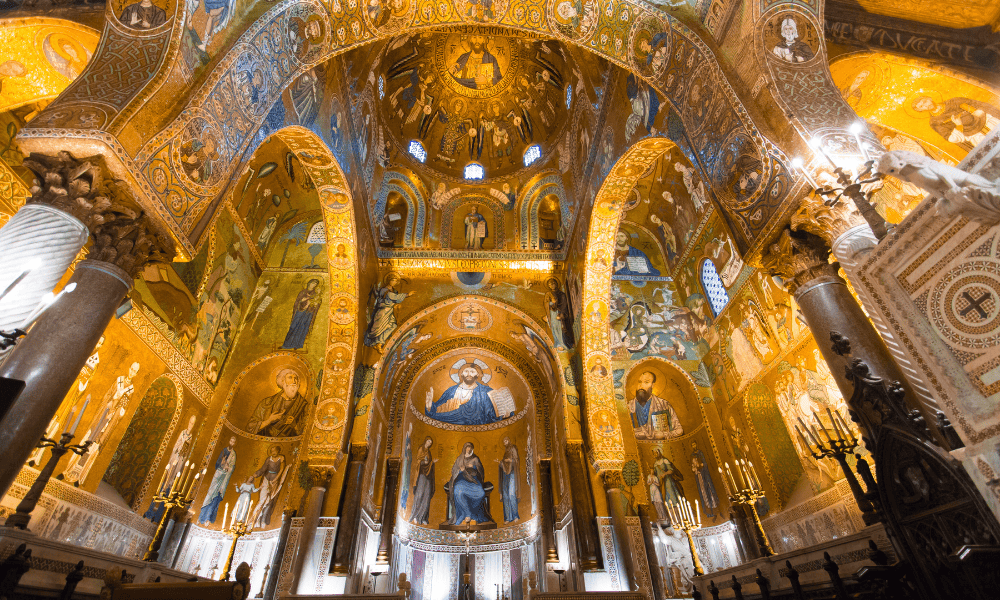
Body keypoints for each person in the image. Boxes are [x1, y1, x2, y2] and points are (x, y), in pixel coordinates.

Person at [425, 363, 507, 425]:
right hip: (451, 419)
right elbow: (438, 408)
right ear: (461, 374)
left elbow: (492, 413)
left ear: (477, 375)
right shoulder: (452, 390)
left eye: (472, 372)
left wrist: (503, 413)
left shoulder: (486, 391)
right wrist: (429, 407)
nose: (469, 374)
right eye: (466, 371)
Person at [246, 369, 308, 437]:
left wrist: (294, 425)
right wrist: (269, 421)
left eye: (295, 378)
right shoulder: (267, 403)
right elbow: (250, 427)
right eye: (290, 377)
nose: (294, 381)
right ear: (282, 381)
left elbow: (307, 432)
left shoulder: (303, 405)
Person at [447, 443, 494, 526]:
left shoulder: (475, 459)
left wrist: (473, 467)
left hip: (473, 479)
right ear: (464, 448)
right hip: (461, 479)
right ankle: (466, 514)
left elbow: (481, 471)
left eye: (470, 448)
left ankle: (473, 514)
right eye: (467, 448)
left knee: (481, 493)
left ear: (472, 449)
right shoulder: (460, 458)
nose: (468, 449)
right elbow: (454, 470)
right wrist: (461, 469)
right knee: (458, 490)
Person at [365, 273, 412, 353]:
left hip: (389, 311)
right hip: (383, 311)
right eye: (392, 280)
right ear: (388, 281)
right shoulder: (384, 290)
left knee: (393, 325)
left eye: (395, 281)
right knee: (380, 328)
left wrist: (396, 304)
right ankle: (379, 344)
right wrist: (407, 295)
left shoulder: (395, 291)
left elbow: (395, 299)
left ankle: (380, 342)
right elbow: (392, 297)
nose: (394, 282)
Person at [628, 371, 683, 440]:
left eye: (646, 382)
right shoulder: (629, 406)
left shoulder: (664, 404)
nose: (641, 385)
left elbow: (679, 430)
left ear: (652, 385)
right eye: (639, 382)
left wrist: (664, 435)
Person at [199, 437, 237, 524]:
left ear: (235, 443)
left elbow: (232, 467)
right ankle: (202, 516)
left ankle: (210, 518)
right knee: (211, 493)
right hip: (218, 473)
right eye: (231, 440)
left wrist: (228, 467)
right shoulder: (224, 450)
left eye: (233, 442)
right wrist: (222, 463)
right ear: (229, 441)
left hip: (225, 476)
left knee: (217, 496)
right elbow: (218, 463)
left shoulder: (233, 454)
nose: (232, 443)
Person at [249, 445, 288, 528]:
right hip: (266, 480)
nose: (273, 453)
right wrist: (256, 474)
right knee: (262, 500)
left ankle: (263, 520)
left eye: (274, 451)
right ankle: (254, 519)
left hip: (274, 482)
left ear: (278, 451)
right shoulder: (268, 459)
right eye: (272, 451)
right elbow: (263, 469)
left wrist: (275, 480)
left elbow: (281, 470)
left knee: (269, 501)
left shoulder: (281, 459)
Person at [281, 279, 321, 349]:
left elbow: (318, 301)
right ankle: (286, 345)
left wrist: (315, 304)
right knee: (294, 326)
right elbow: (297, 302)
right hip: (300, 311)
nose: (314, 285)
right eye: (313, 283)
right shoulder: (302, 292)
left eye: (315, 284)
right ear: (309, 283)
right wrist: (303, 300)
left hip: (308, 313)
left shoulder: (315, 293)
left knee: (303, 327)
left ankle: (298, 345)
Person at [543, 278, 575, 350]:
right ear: (548, 286)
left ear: (556, 284)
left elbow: (564, 305)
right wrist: (551, 303)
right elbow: (546, 304)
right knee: (555, 327)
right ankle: (559, 343)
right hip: (552, 314)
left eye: (553, 283)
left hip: (560, 313)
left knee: (563, 327)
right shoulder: (548, 294)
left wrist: (562, 314)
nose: (552, 285)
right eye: (550, 285)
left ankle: (567, 343)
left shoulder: (562, 294)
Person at [410, 437, 436, 525]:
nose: (429, 443)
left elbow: (428, 463)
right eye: (429, 441)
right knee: (420, 494)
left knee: (427, 496)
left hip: (428, 476)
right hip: (421, 475)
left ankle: (423, 517)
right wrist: (424, 462)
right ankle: (415, 516)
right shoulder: (421, 449)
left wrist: (432, 462)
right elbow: (419, 460)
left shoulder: (429, 452)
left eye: (431, 442)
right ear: (425, 441)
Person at [690, 442, 719, 519]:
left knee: (709, 490)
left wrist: (701, 465)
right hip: (699, 477)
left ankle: (714, 509)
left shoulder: (700, 452)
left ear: (696, 445)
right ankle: (708, 511)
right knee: (703, 493)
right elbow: (692, 467)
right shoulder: (692, 455)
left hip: (705, 475)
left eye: (694, 444)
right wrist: (695, 468)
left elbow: (705, 463)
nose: (694, 446)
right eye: (692, 445)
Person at [497, 437, 520, 523]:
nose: (504, 443)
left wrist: (510, 460)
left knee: (511, 494)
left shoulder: (513, 448)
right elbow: (503, 463)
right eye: (503, 441)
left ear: (509, 441)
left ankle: (515, 515)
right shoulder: (505, 451)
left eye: (506, 441)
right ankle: (507, 518)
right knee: (505, 496)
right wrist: (501, 462)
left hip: (512, 473)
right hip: (505, 474)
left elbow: (516, 460)